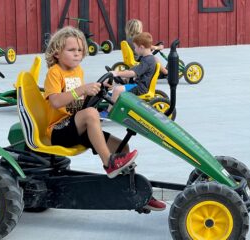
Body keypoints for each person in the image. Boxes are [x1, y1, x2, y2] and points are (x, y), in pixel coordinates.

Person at [44, 26, 165, 211]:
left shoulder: (78, 72)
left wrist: (100, 89)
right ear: (57, 53)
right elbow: (55, 101)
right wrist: (83, 90)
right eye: (71, 50)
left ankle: (133, 193)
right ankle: (109, 163)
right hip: (59, 130)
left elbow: (81, 102)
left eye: (79, 50)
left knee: (123, 147)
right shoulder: (55, 72)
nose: (77, 54)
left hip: (77, 128)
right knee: (92, 114)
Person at [106, 32, 156, 112]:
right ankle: (112, 101)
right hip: (138, 84)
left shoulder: (147, 60)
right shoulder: (146, 58)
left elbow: (133, 73)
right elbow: (134, 69)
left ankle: (109, 112)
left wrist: (117, 73)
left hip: (140, 87)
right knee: (116, 85)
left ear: (141, 47)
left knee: (117, 90)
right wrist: (124, 75)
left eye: (135, 48)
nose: (135, 50)